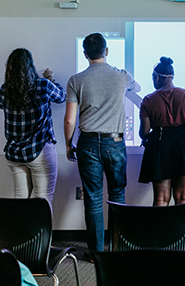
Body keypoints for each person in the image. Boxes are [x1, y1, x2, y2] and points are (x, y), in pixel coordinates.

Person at [64, 33, 140, 259]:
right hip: (115, 142)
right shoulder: (122, 76)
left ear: (85, 54)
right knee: (118, 194)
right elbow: (137, 89)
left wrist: (69, 145)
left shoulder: (76, 80)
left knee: (93, 197)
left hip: (87, 143)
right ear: (106, 51)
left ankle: (96, 251)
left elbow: (69, 120)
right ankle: (118, 248)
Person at [0, 48, 65, 207]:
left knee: (20, 202)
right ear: (30, 66)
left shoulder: (6, 89)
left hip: (15, 154)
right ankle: (42, 233)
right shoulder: (43, 85)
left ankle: (19, 233)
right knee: (43, 201)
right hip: (39, 151)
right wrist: (50, 78)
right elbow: (61, 96)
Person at [138, 56, 185, 206]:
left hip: (160, 146)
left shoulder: (148, 100)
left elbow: (144, 131)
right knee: (183, 198)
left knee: (161, 199)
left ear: (157, 77)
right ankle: (182, 230)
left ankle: (162, 230)